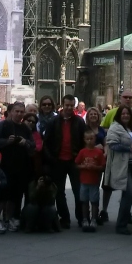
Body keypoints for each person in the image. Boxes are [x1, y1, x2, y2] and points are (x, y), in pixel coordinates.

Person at [43, 94, 86, 228]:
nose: (69, 108)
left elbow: (84, 140)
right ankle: (65, 218)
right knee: (59, 191)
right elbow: (46, 142)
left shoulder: (79, 121)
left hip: (74, 160)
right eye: (66, 105)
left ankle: (81, 217)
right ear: (62, 105)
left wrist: (81, 157)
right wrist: (51, 158)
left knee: (78, 191)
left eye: (71, 106)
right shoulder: (53, 121)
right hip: (58, 160)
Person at [0, 102, 35, 229]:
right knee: (3, 195)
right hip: (4, 165)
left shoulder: (25, 127)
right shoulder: (3, 125)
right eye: (17, 111)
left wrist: (25, 142)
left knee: (14, 196)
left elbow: (33, 144)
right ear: (11, 112)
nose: (19, 114)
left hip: (20, 166)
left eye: (21, 112)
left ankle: (8, 218)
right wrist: (7, 141)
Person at [105, 104, 132, 235]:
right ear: (119, 115)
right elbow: (112, 145)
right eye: (123, 114)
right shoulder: (115, 127)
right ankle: (121, 225)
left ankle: (125, 219)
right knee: (129, 193)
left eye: (127, 114)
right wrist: (129, 149)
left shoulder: (131, 128)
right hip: (122, 165)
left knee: (129, 194)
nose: (125, 116)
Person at [75, 127, 106, 230]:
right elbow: (76, 164)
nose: (89, 141)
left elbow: (103, 167)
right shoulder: (82, 152)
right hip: (84, 181)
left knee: (94, 201)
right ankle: (85, 219)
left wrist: (95, 167)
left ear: (95, 139)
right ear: (84, 140)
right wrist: (83, 166)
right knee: (84, 201)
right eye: (87, 139)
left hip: (94, 181)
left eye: (91, 138)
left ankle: (94, 219)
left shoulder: (98, 152)